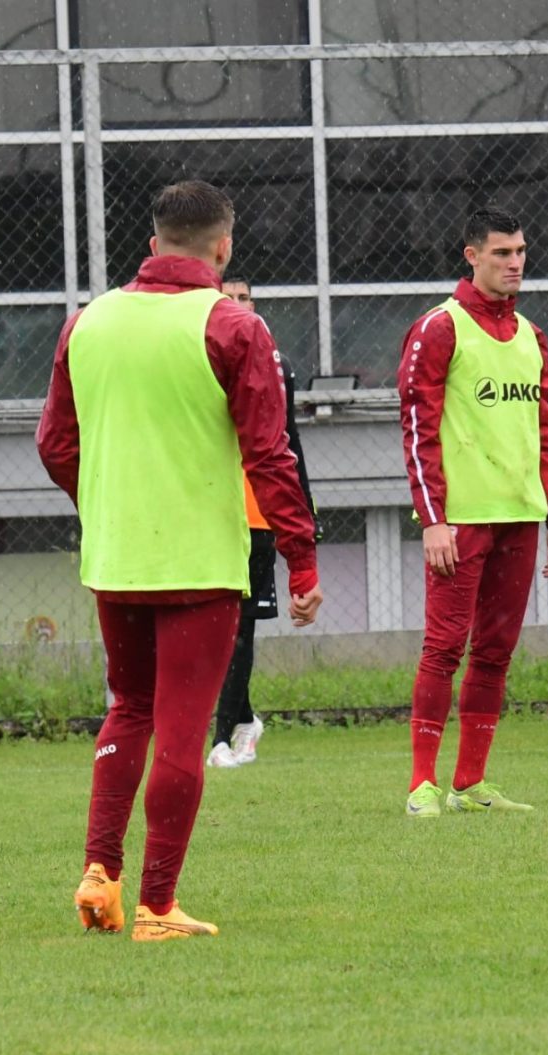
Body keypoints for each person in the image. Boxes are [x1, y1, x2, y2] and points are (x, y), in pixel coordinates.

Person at [37, 180, 323, 940]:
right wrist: (301, 558)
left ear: (153, 240)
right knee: (183, 727)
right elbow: (270, 455)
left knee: (129, 707)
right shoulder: (232, 325)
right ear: (223, 247)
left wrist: (106, 504)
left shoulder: (88, 322)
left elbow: (55, 445)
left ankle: (100, 872)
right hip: (199, 562)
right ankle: (158, 907)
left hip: (117, 556)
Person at [395, 205, 548, 818]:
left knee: (495, 652)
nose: (515, 263)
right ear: (472, 256)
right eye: (501, 253)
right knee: (444, 648)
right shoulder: (439, 328)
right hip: (460, 520)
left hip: (519, 516)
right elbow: (418, 430)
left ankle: (470, 783)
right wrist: (433, 519)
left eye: (520, 252)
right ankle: (422, 784)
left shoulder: (532, 337)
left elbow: (543, 432)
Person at [205, 276, 319, 770]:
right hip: (209, 511)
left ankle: (221, 739)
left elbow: (287, 442)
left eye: (244, 298)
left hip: (256, 513)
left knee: (241, 629)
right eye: (227, 298)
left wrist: (305, 513)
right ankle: (246, 719)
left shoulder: (275, 365)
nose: (237, 305)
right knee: (215, 630)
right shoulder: (200, 359)